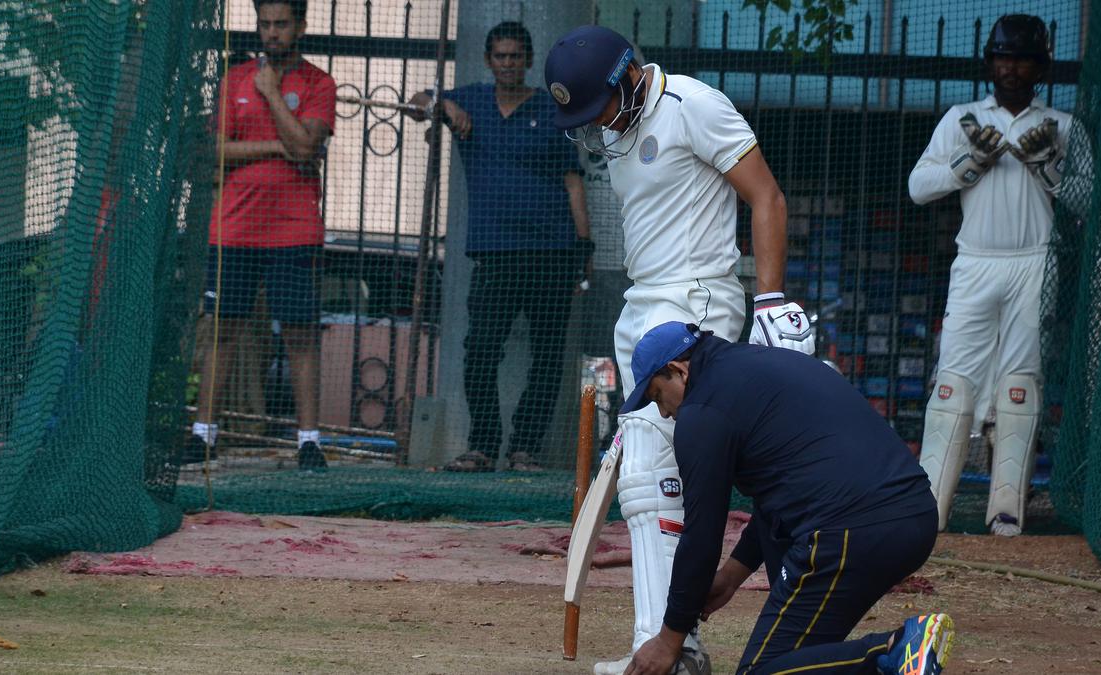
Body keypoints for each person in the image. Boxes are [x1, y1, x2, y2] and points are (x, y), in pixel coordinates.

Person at [544, 25, 814, 674]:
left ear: (628, 75)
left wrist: (770, 301)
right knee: (644, 482)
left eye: (598, 106)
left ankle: (724, 644)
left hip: (697, 301)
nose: (596, 124)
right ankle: (667, 648)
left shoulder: (693, 104)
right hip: (642, 304)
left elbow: (766, 195)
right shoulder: (612, 128)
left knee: (697, 469)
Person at [619, 321, 953, 675]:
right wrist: (732, 576)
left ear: (678, 371)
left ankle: (894, 651)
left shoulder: (702, 412)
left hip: (848, 530)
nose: (664, 412)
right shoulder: (759, 364)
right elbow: (781, 489)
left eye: (657, 396)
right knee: (807, 661)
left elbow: (701, 535)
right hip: (913, 515)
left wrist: (669, 640)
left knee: (762, 672)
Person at [909, 14, 1091, 536]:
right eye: (1003, 57)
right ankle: (929, 512)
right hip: (975, 261)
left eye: (1022, 59)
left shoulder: (1063, 126)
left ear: (1040, 67)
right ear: (991, 62)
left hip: (1035, 260)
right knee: (953, 383)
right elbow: (919, 186)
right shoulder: (962, 119)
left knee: (1020, 384)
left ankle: (1005, 515)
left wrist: (1048, 168)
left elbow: (1092, 201)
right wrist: (969, 165)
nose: (1011, 68)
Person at [405, 21, 593, 473]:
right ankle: (483, 445)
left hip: (553, 252)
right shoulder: (469, 100)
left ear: (527, 61)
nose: (508, 64)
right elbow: (414, 105)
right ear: (489, 60)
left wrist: (582, 251)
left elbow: (573, 184)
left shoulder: (552, 110)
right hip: (494, 252)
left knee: (548, 354)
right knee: (480, 350)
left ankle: (525, 448)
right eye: (500, 56)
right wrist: (442, 103)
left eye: (515, 56)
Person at [186, 0, 336, 472]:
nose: (271, 32)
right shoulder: (235, 79)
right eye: (264, 23)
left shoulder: (319, 83)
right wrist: (276, 144)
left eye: (281, 23)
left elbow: (308, 145)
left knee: (299, 334)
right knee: (222, 331)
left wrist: (272, 95)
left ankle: (308, 441)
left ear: (300, 26)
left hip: (294, 230)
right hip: (233, 228)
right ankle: (203, 435)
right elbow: (214, 151)